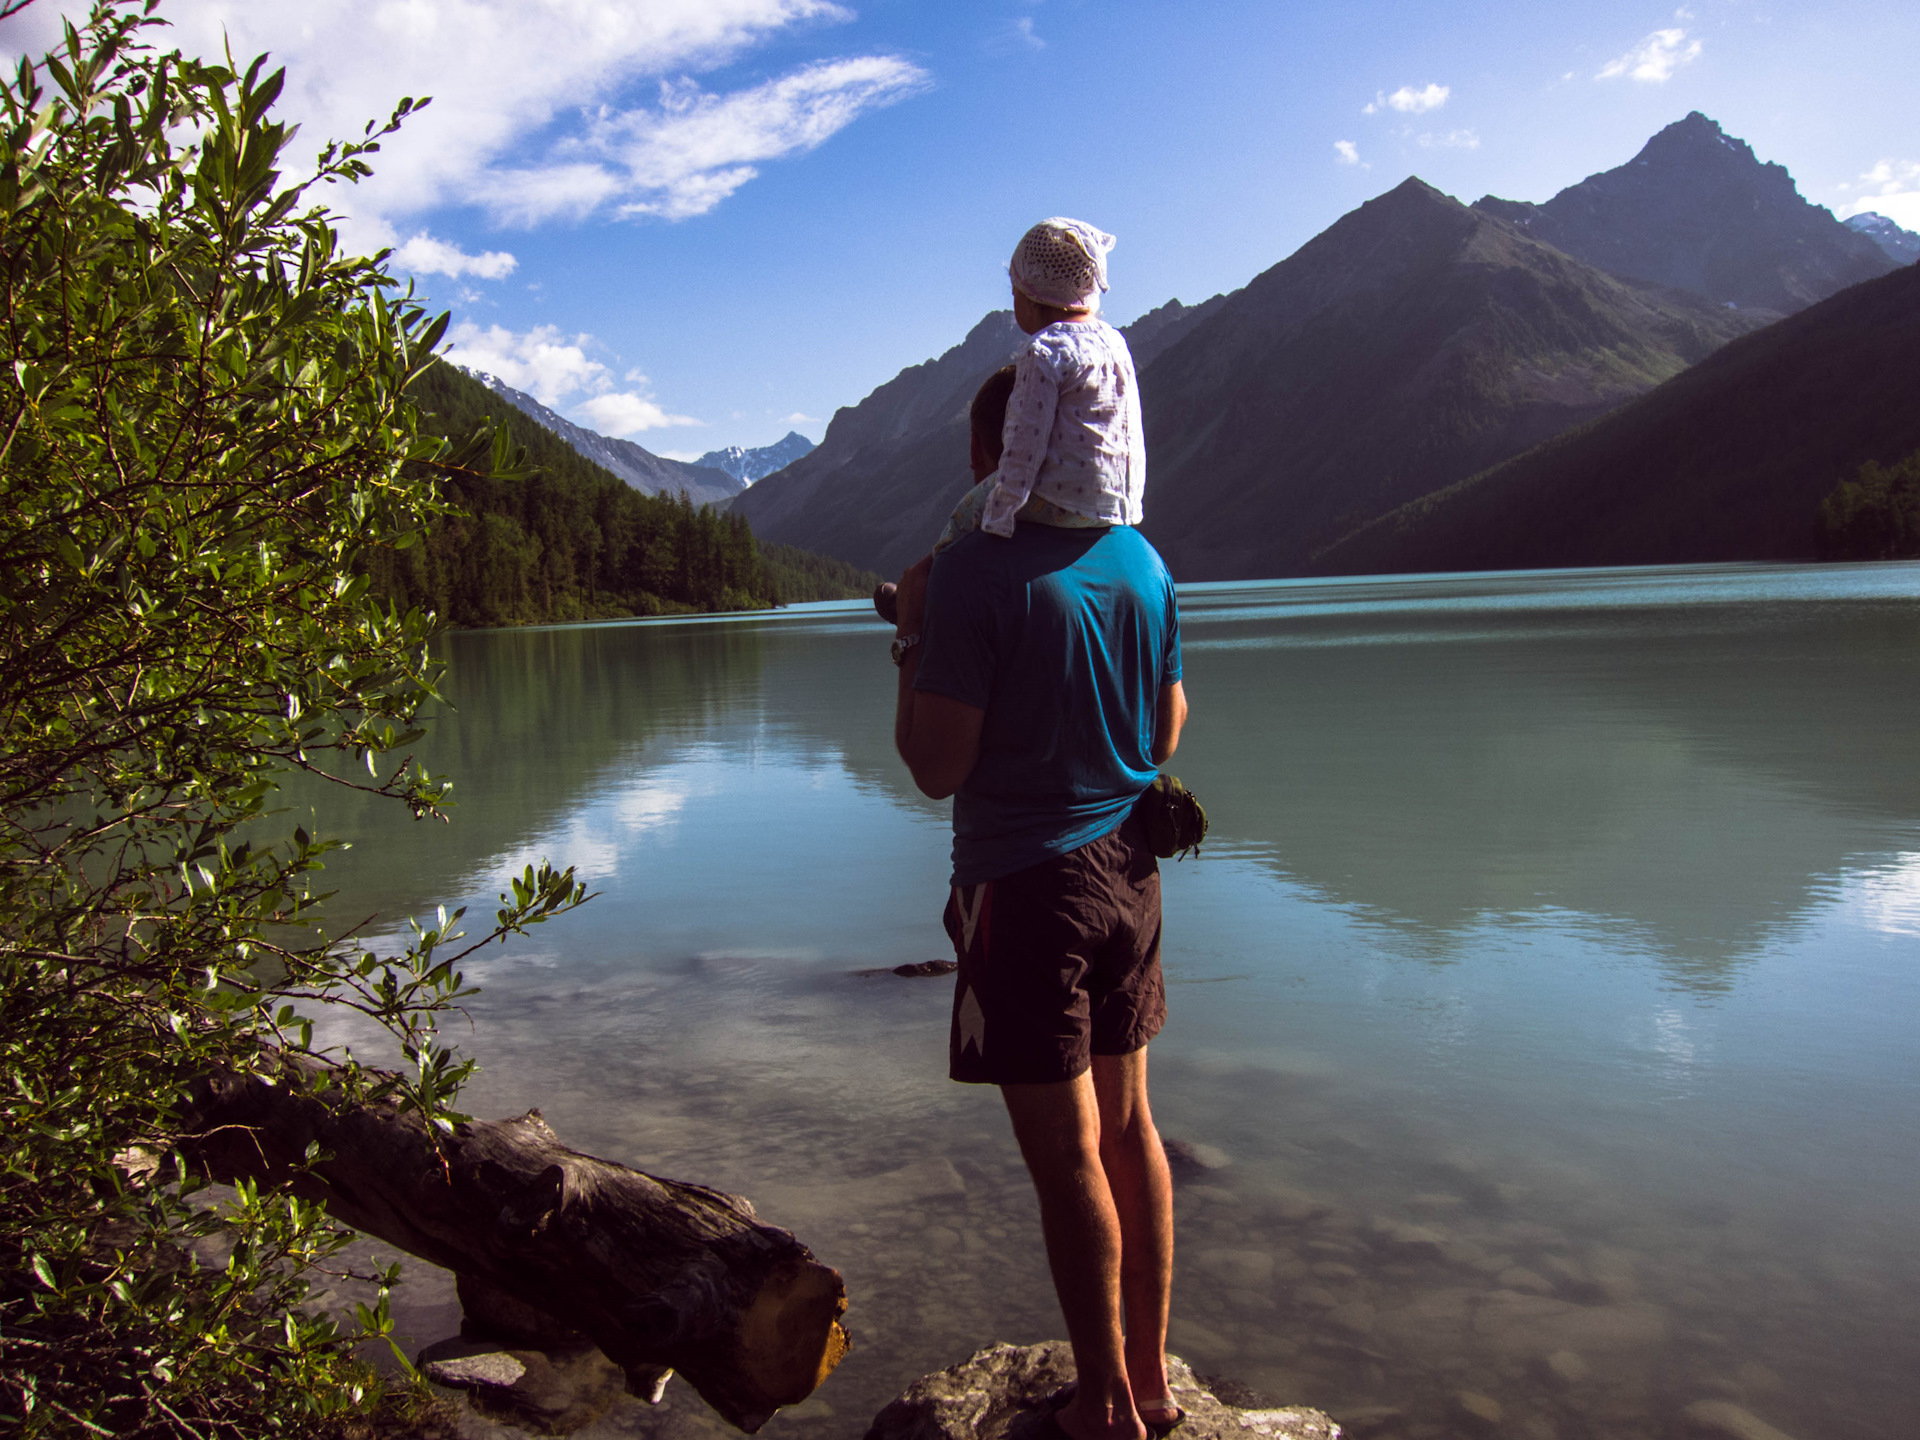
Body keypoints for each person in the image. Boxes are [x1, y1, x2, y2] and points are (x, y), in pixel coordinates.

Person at [889, 360, 1189, 1440]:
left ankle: (1102, 1408)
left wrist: (913, 631)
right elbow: (1164, 732)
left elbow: (935, 763)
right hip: (1131, 879)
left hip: (1027, 888)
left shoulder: (973, 572)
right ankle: (1150, 1382)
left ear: (992, 456)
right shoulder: (1143, 562)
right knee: (1133, 1130)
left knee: (1068, 1162)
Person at [874, 216, 1146, 627]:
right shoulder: (1116, 344)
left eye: (1014, 290)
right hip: (1111, 506)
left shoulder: (1045, 351)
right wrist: (1128, 503)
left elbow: (1024, 444)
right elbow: (1130, 433)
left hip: (1055, 501)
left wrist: (997, 519)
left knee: (961, 517)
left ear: (1031, 298)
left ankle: (923, 592)